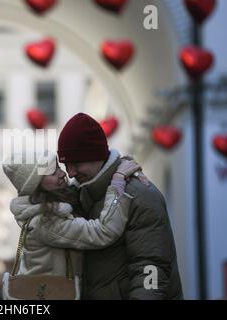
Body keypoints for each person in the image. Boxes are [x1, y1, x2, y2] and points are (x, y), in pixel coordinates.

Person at [57, 113, 184, 299]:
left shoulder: (140, 195)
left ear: (96, 155)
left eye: (76, 163)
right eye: (65, 164)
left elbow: (150, 268)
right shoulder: (81, 195)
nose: (70, 172)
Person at [2, 151, 141, 299]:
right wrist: (118, 183)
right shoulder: (46, 222)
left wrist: (113, 166)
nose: (62, 174)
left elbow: (75, 188)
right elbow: (103, 232)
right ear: (37, 185)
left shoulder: (49, 210)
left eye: (58, 167)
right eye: (52, 172)